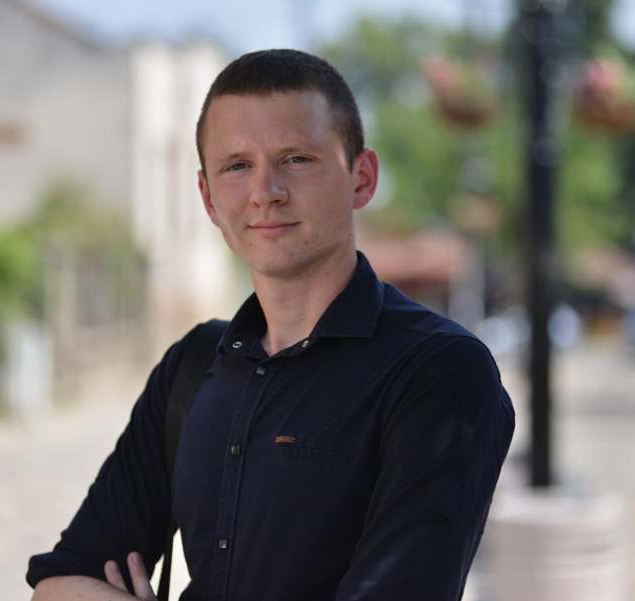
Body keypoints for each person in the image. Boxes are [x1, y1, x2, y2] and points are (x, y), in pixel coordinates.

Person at [28, 48, 514, 601]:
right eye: (237, 166)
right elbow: (58, 586)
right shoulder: (192, 366)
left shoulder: (438, 372)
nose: (266, 192)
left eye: (296, 159)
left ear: (361, 178)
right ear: (208, 198)